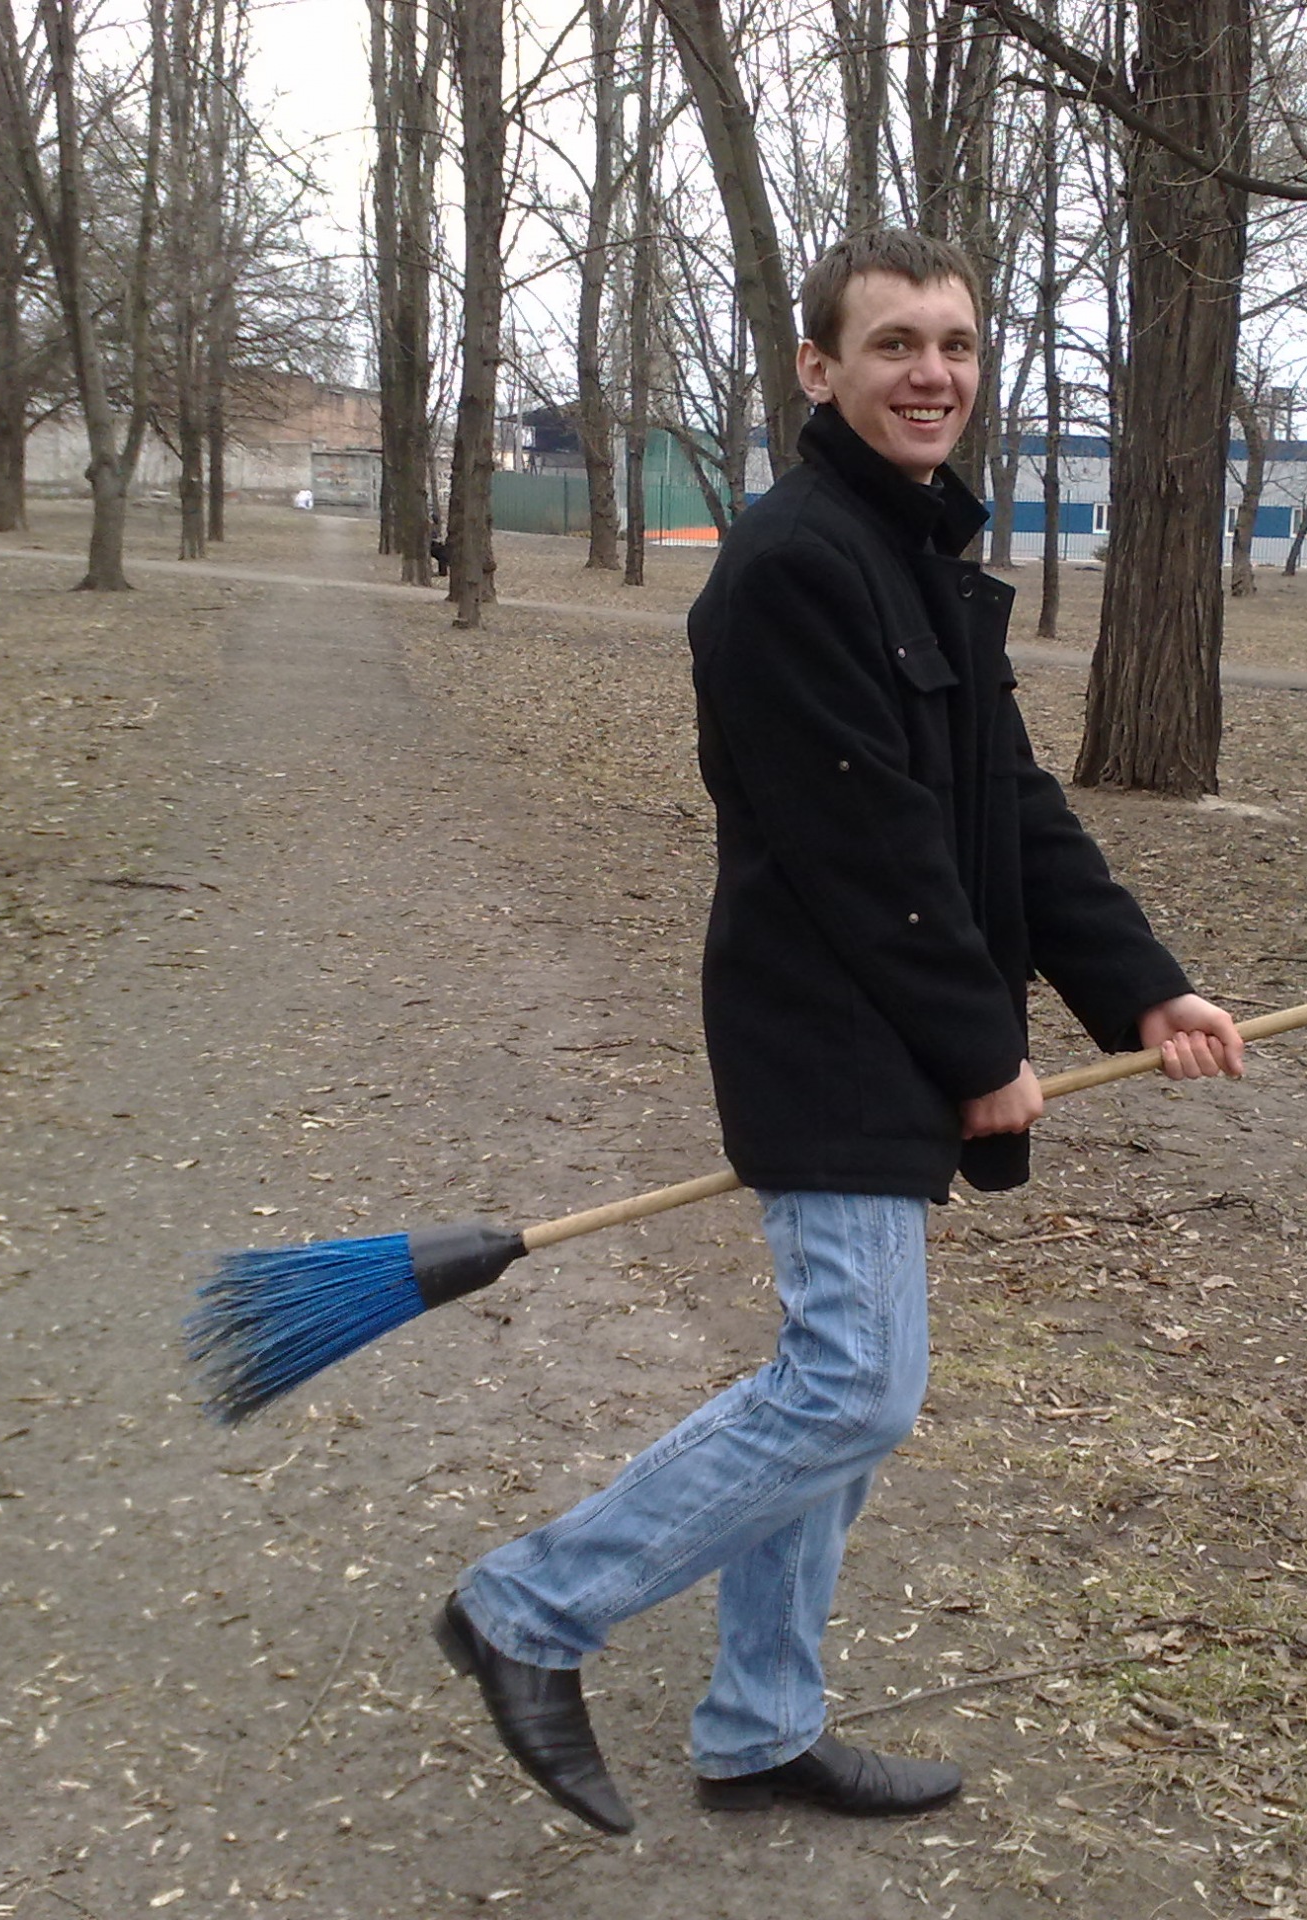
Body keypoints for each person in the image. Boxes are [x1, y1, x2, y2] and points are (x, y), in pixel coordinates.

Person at [435, 229, 1244, 1834]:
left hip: (890, 1027)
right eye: (893, 345)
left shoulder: (913, 551)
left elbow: (1006, 805)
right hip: (826, 1032)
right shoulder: (796, 564)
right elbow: (866, 854)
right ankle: (527, 1609)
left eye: (955, 344)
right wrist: (981, 1053)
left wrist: (1141, 983)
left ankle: (758, 1725)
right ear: (820, 369)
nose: (931, 373)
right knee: (850, 1390)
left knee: (837, 1414)